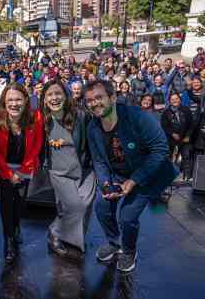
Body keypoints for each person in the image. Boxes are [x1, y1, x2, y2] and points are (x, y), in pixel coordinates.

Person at [84, 80, 178, 273]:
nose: (94, 103)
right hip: (118, 174)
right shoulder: (92, 128)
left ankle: (128, 250)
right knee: (101, 207)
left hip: (145, 174)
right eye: (90, 100)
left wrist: (134, 180)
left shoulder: (137, 117)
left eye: (99, 97)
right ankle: (114, 242)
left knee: (127, 216)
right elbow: (99, 161)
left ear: (113, 97)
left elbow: (160, 149)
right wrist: (105, 184)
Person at [0, 84, 42, 264]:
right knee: (6, 205)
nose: (14, 103)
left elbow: (36, 147)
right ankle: (8, 239)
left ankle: (16, 227)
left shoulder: (36, 118)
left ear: (26, 100)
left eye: (18, 99)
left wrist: (23, 170)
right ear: (4, 101)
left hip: (25, 168)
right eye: (10, 100)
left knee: (20, 203)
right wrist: (9, 173)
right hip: (5, 169)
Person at [40, 80, 95, 257]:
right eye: (50, 95)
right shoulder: (42, 119)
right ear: (44, 99)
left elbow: (92, 139)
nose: (54, 98)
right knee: (71, 206)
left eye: (58, 93)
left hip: (83, 167)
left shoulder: (81, 115)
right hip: (58, 171)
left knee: (85, 204)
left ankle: (71, 238)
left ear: (66, 95)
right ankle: (55, 233)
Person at [161, 92, 194, 183]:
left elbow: (191, 125)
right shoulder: (166, 112)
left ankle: (187, 176)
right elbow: (164, 126)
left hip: (185, 138)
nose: (174, 101)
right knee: (171, 158)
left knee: (186, 157)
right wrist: (172, 134)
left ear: (180, 100)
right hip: (172, 140)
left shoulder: (186, 110)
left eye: (176, 99)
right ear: (169, 101)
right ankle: (170, 176)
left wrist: (188, 136)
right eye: (172, 99)